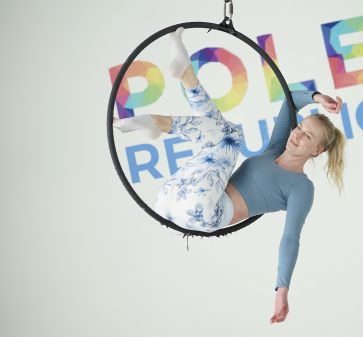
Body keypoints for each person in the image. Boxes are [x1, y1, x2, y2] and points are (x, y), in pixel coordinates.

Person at [114, 28, 346, 324]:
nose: (298, 135)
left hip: (206, 212)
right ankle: (183, 71)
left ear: (317, 151)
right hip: (172, 198)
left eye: (308, 137)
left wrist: (281, 289)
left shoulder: (301, 187)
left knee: (228, 137)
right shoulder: (274, 149)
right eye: (300, 128)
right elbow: (290, 99)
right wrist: (316, 97)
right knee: (216, 127)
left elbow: (290, 238)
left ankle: (161, 112)